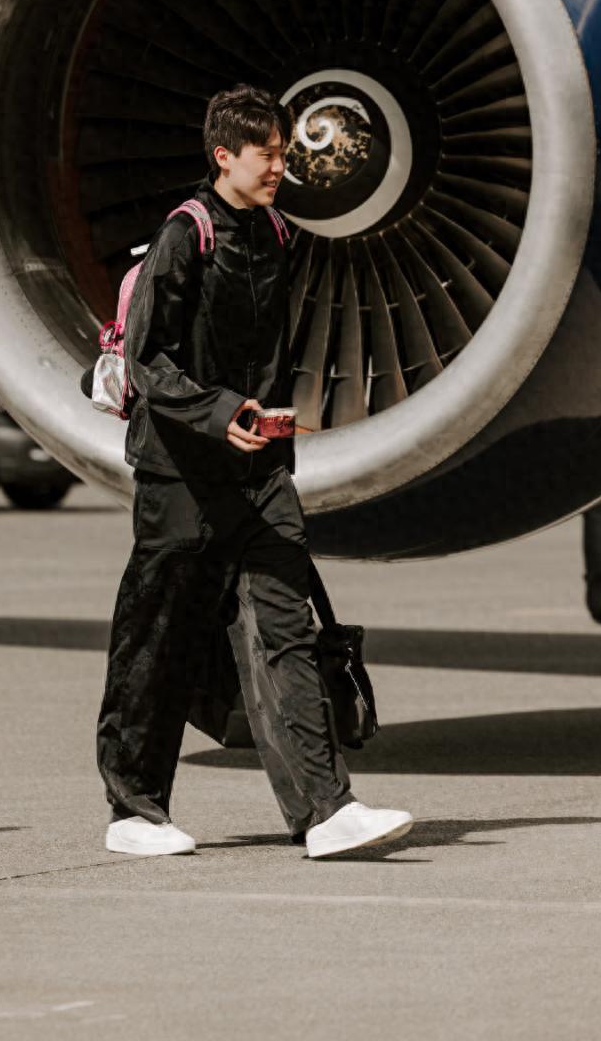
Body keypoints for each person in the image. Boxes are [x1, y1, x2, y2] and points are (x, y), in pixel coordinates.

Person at [93, 83, 413, 859]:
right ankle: (134, 809)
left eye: (282, 152)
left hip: (259, 469)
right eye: (267, 154)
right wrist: (219, 413)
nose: (280, 166)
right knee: (160, 637)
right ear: (223, 156)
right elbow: (149, 360)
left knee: (285, 628)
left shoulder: (276, 232)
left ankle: (326, 810)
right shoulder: (184, 236)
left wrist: (267, 424)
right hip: (181, 473)